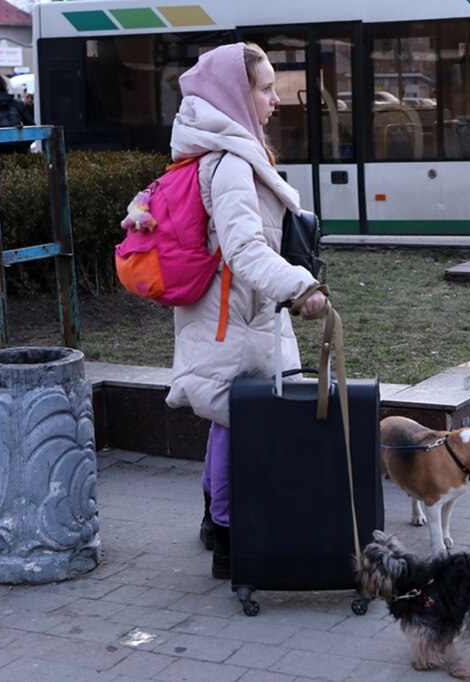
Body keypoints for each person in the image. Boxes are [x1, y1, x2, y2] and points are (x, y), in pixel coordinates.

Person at [164, 43, 328, 579]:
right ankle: (231, 543)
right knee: (240, 425)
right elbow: (245, 248)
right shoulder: (232, 162)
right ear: (237, 93)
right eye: (264, 88)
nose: (275, 99)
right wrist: (302, 287)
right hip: (234, 320)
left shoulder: (229, 149)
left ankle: (218, 524)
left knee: (230, 420)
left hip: (238, 314)